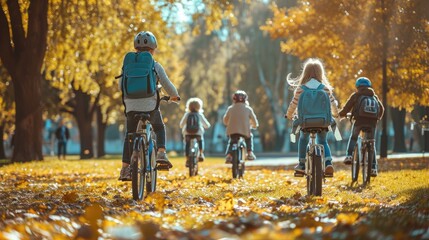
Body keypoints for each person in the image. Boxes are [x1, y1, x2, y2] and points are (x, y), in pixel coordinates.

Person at [118, 31, 180, 181]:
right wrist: (175, 96)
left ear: (135, 48)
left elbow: (121, 86)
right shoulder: (154, 64)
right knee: (159, 127)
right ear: (153, 49)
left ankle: (125, 169)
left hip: (131, 106)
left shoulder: (127, 64)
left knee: (130, 135)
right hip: (150, 106)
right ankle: (161, 153)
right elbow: (166, 84)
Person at [285, 58, 339, 175]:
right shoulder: (324, 88)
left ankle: (302, 164)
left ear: (305, 73)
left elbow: (293, 104)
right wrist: (335, 114)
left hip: (305, 122)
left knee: (303, 139)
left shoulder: (301, 89)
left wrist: (289, 115)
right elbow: (333, 104)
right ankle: (328, 163)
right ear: (320, 73)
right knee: (323, 141)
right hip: (323, 121)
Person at [339, 77, 384, 176]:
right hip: (372, 122)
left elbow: (347, 108)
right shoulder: (374, 96)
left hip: (359, 121)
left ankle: (349, 156)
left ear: (357, 86)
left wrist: (341, 115)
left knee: (354, 137)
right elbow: (381, 109)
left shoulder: (356, 95)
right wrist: (377, 118)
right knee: (371, 143)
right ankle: (373, 168)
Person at [223, 90, 259, 163]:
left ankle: (229, 155)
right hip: (244, 130)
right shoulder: (248, 109)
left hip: (232, 131)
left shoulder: (230, 108)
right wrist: (254, 126)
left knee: (232, 141)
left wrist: (227, 124)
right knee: (249, 138)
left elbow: (225, 120)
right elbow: (254, 120)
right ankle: (249, 153)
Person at [179, 98, 211, 167]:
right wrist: (207, 126)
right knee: (200, 141)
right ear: (199, 106)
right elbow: (206, 125)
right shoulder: (199, 114)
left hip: (187, 133)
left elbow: (181, 125)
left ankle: (187, 159)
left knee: (187, 145)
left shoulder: (187, 114)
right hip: (198, 133)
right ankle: (201, 154)